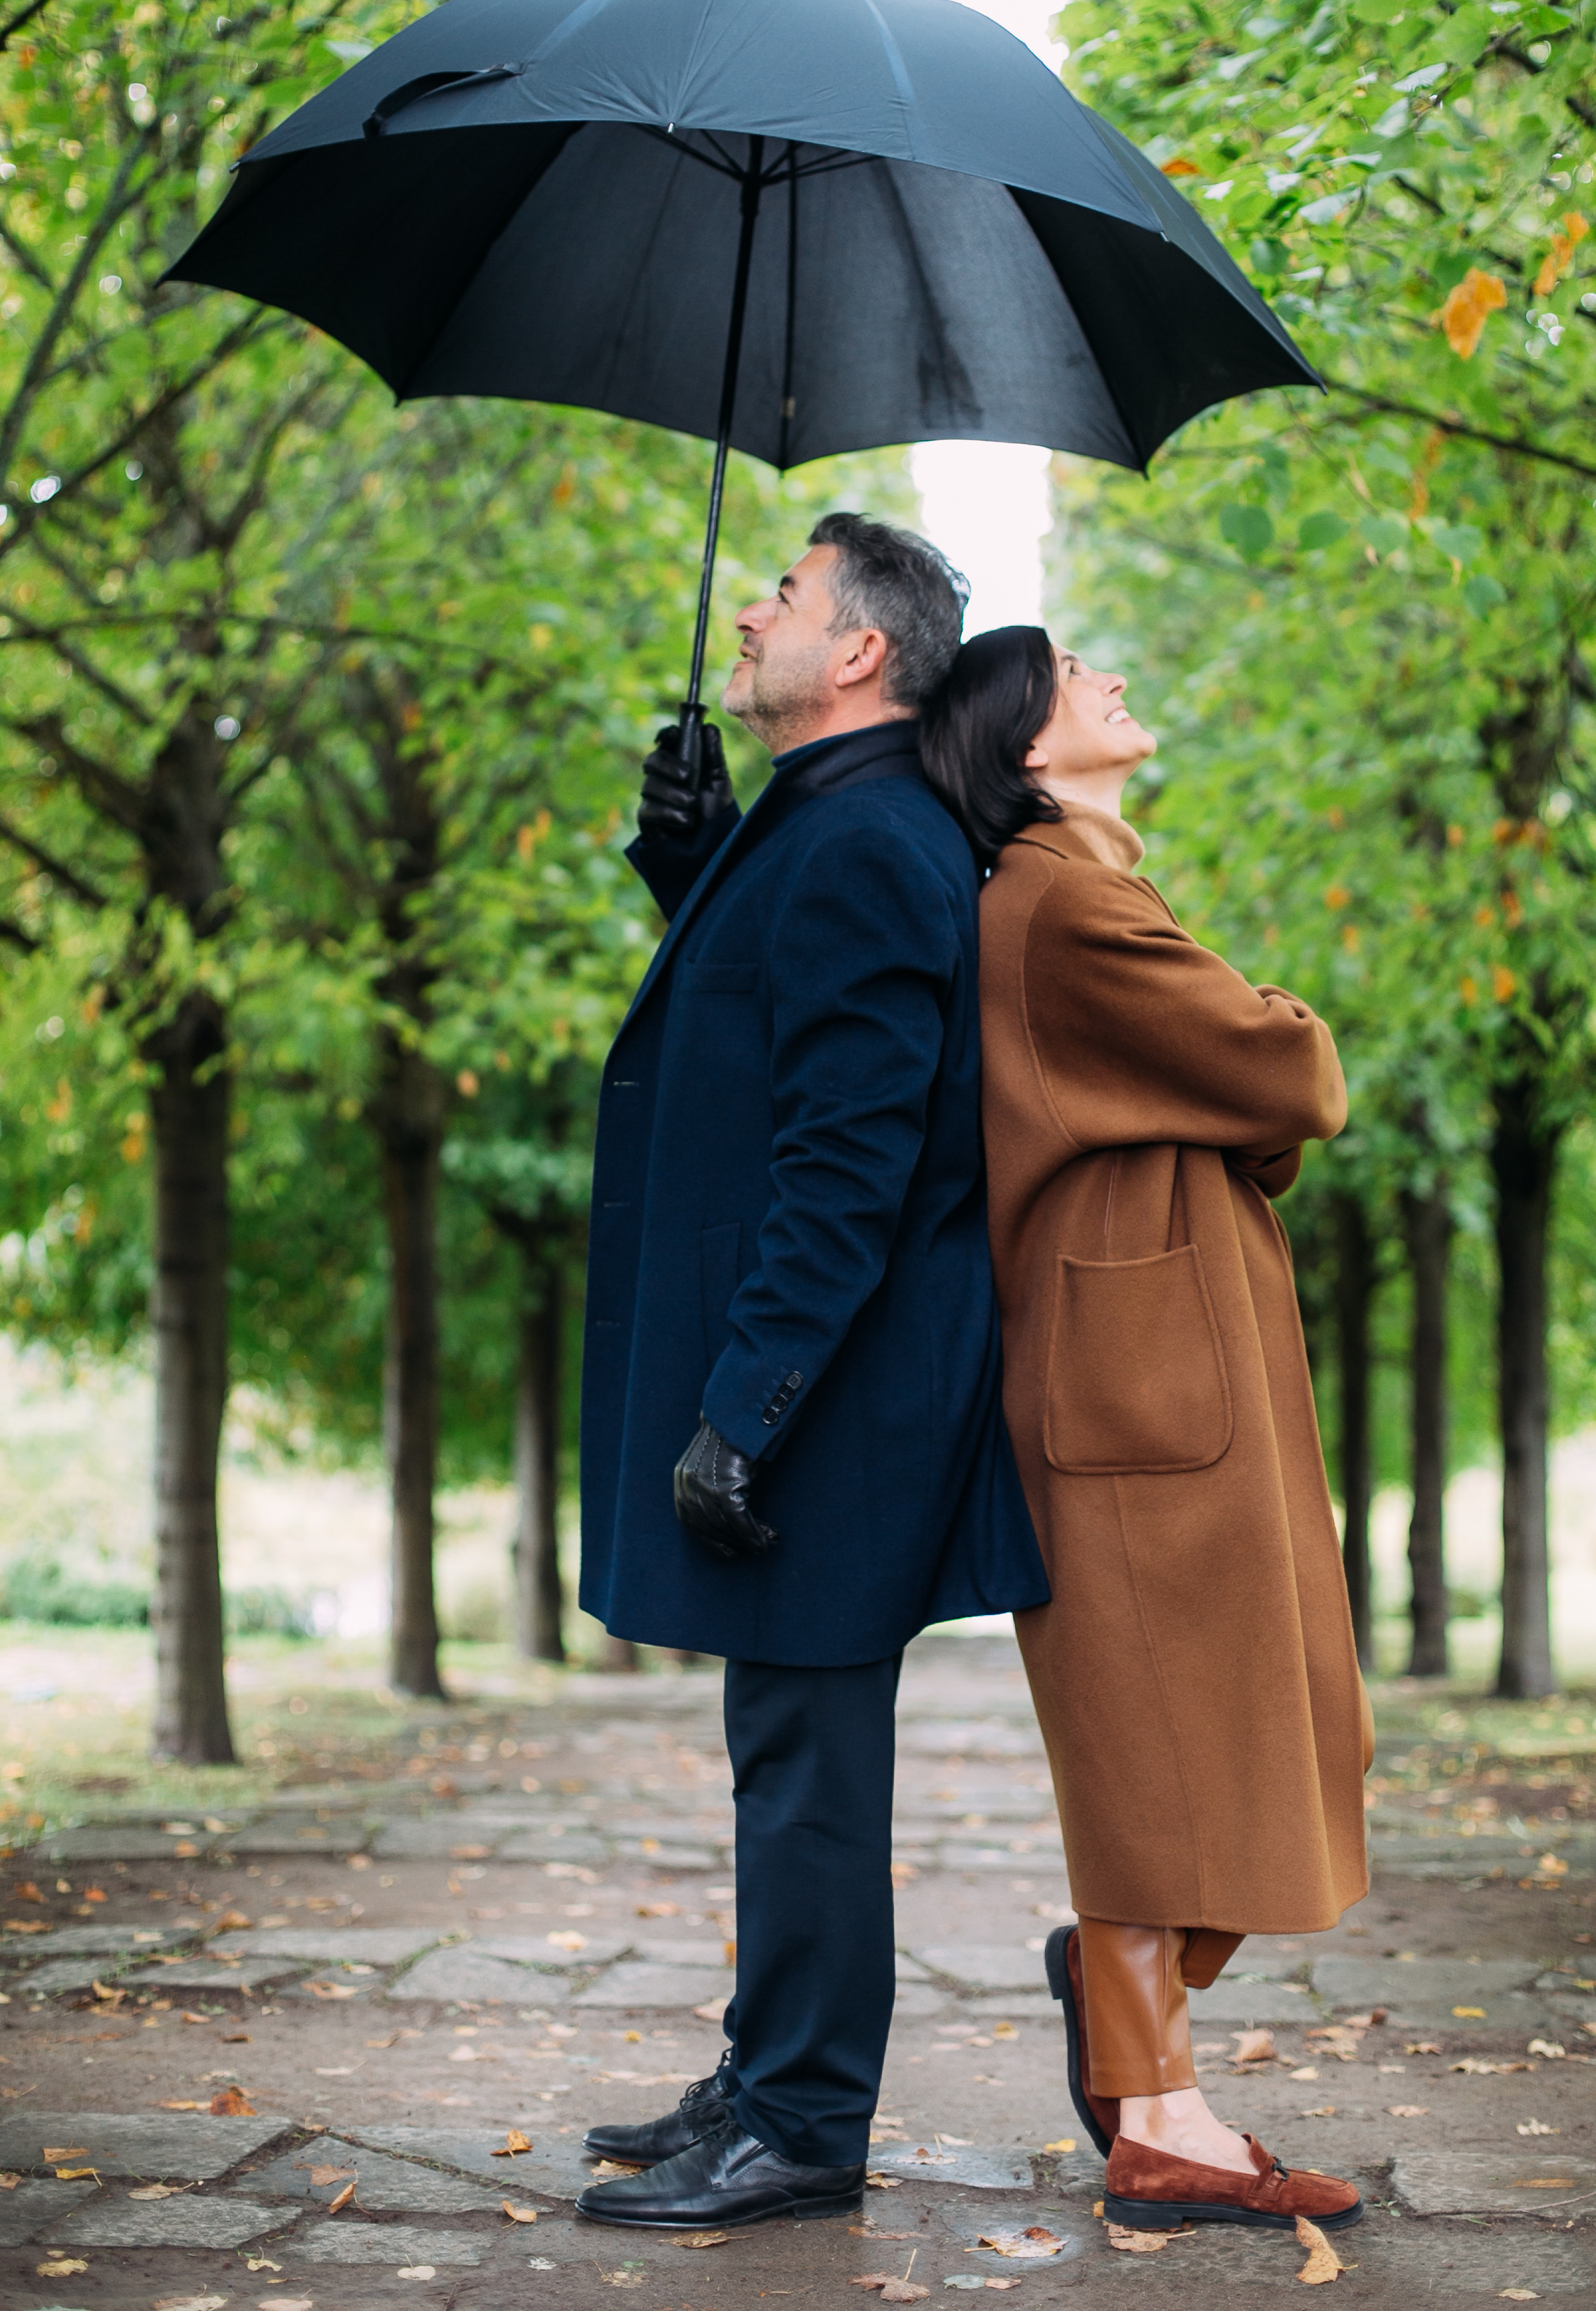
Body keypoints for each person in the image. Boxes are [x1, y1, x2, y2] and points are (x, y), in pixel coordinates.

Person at [574, 518, 1049, 2235]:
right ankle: (763, 2072)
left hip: (835, 1396)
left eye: (780, 596)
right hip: (827, 1383)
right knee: (783, 1752)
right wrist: (689, 860)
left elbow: (847, 1159)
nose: (746, 617)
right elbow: (770, 1019)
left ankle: (800, 2122)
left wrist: (748, 1409)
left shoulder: (868, 837)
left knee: (809, 1775)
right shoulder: (829, 824)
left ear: (855, 652)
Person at [920, 624, 1371, 2241]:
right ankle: (1160, 2117)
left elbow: (1248, 1102)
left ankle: (1130, 2012)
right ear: (1026, 746)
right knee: (1164, 1750)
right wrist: (1262, 1056)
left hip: (1166, 1363)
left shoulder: (1086, 893)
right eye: (1071, 669)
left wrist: (1238, 1092)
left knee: (1272, 1733)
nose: (1105, 673)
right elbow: (1289, 1075)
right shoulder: (1063, 902)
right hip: (1135, 1378)